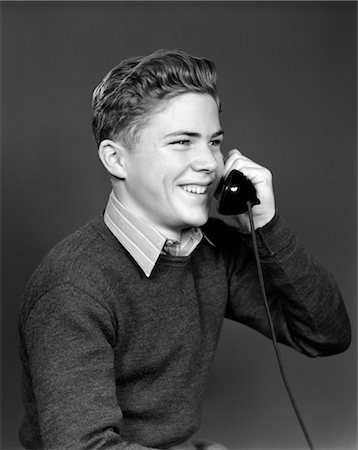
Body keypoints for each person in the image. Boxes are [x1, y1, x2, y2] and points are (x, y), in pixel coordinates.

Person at [18, 49, 351, 450]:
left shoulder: (212, 250)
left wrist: (265, 228)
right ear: (115, 159)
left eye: (214, 142)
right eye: (181, 142)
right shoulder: (73, 287)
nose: (208, 163)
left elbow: (326, 334)